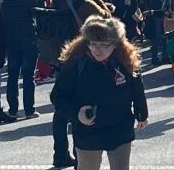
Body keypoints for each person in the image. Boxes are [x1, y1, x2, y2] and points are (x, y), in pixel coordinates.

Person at [50, 17, 148, 170]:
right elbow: (58, 97)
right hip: (88, 132)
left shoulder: (124, 60)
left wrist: (141, 112)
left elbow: (136, 86)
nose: (97, 50)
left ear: (115, 45)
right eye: (93, 44)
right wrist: (76, 113)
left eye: (103, 45)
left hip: (119, 127)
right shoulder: (76, 62)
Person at [2, 0, 41, 119]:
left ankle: (13, 110)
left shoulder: (5, 1)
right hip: (28, 40)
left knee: (12, 75)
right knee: (28, 75)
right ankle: (29, 110)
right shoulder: (28, 0)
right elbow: (37, 10)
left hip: (12, 41)